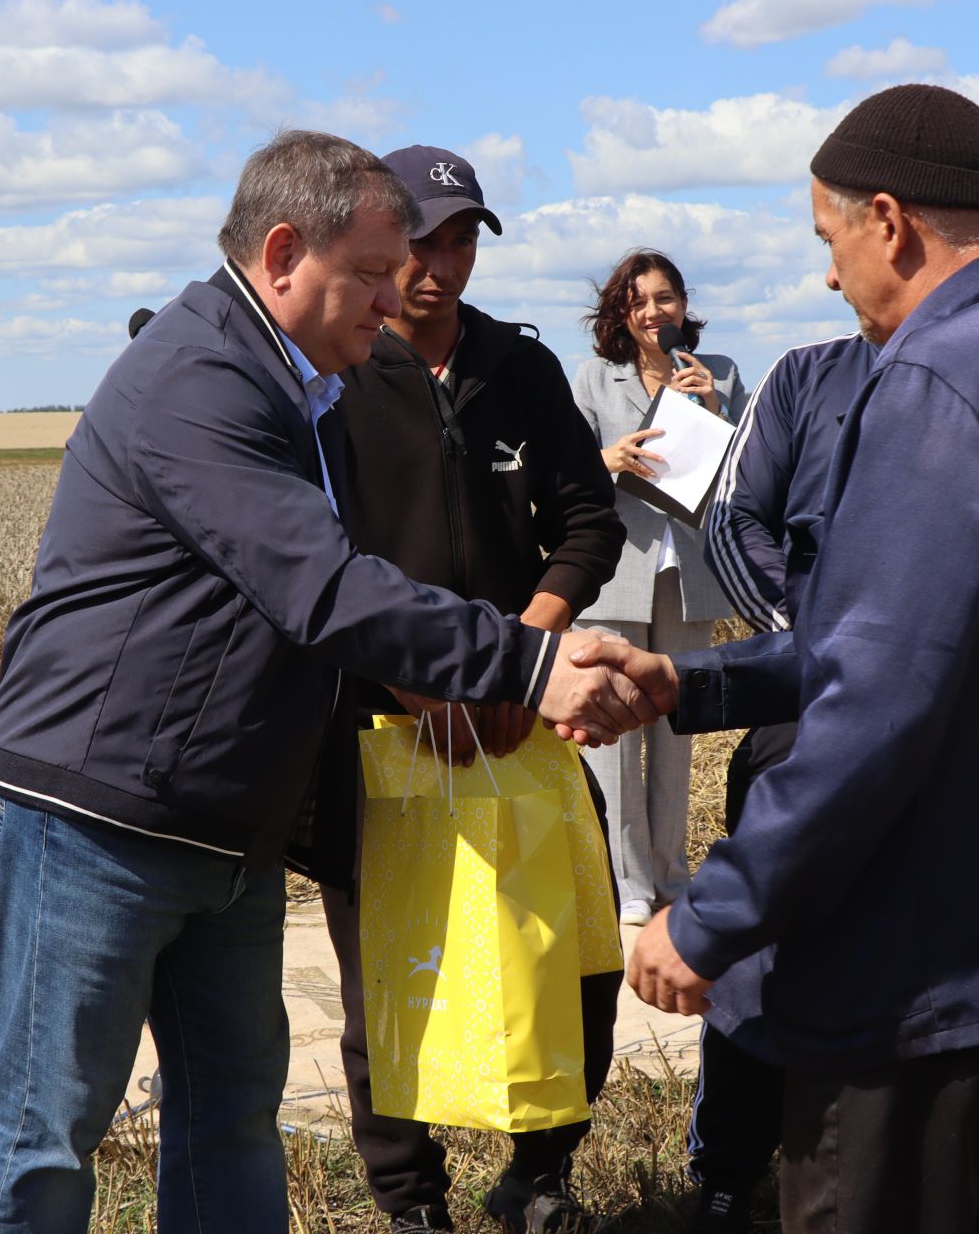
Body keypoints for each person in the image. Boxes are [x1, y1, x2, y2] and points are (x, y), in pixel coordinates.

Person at [0, 129, 657, 1234]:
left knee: (233, 1111)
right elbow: (324, 586)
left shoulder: (302, 385)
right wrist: (527, 661)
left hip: (228, 815)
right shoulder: (202, 378)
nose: (399, 296)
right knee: (50, 1124)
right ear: (284, 253)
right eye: (375, 272)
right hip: (99, 813)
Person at [586, 84, 979, 1234]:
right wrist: (693, 684)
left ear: (889, 221)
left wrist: (710, 917)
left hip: (905, 960)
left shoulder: (940, 384)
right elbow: (933, 645)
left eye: (829, 239)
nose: (831, 274)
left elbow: (877, 705)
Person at [295, 144, 626, 1234]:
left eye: (462, 239)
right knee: (390, 968)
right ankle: (411, 1201)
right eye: (422, 242)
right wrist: (420, 677)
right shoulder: (333, 378)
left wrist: (525, 652)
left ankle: (542, 1173)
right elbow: (320, 563)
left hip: (521, 717)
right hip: (382, 721)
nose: (440, 266)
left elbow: (588, 522)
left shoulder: (517, 370)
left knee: (573, 950)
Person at [682, 328, 875, 1233]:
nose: (835, 275)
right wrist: (819, 638)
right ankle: (728, 1168)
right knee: (762, 942)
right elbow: (732, 519)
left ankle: (923, 1160)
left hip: (951, 720)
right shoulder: (806, 375)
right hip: (801, 704)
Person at [569, 252, 748, 926]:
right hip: (615, 576)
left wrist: (709, 403)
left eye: (665, 298)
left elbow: (751, 467)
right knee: (615, 734)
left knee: (679, 728)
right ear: (620, 312)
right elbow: (563, 476)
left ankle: (673, 877)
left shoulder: (723, 372)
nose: (653, 312)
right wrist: (605, 460)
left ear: (683, 306)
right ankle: (630, 883)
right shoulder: (593, 379)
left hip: (689, 576)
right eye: (638, 300)